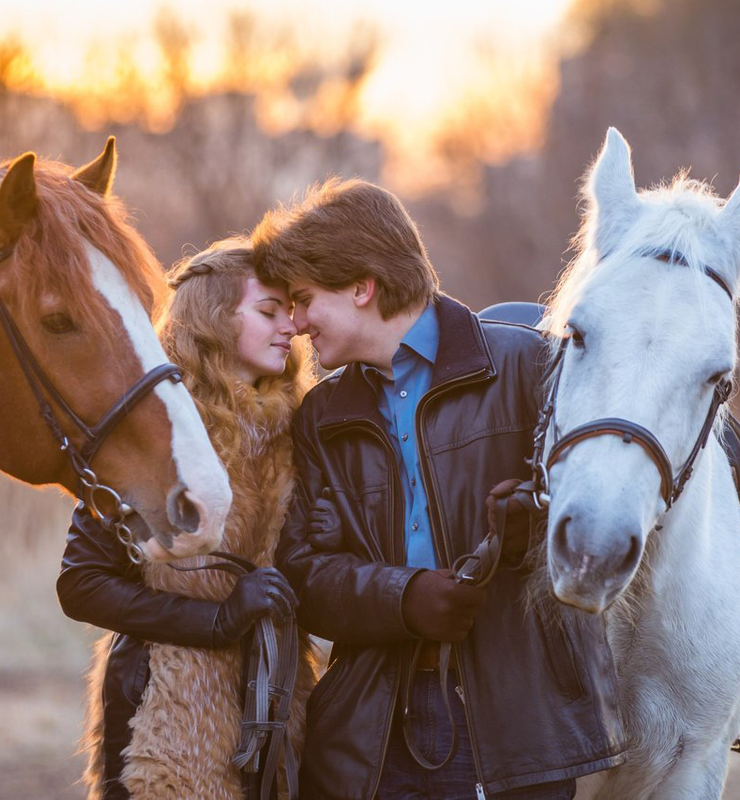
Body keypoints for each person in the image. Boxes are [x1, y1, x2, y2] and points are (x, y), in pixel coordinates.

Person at [251, 179, 626, 799]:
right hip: (375, 730)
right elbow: (302, 576)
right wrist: (405, 597)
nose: (293, 324)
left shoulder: (529, 366)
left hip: (518, 718)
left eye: (302, 299)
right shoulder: (320, 416)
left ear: (362, 287)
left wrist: (531, 529)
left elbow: (605, 515)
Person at [57, 238, 317, 798]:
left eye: (289, 313)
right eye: (268, 312)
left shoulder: (303, 428)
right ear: (215, 320)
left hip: (275, 714)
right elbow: (81, 584)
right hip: (165, 719)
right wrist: (217, 621)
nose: (289, 328)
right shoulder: (155, 435)